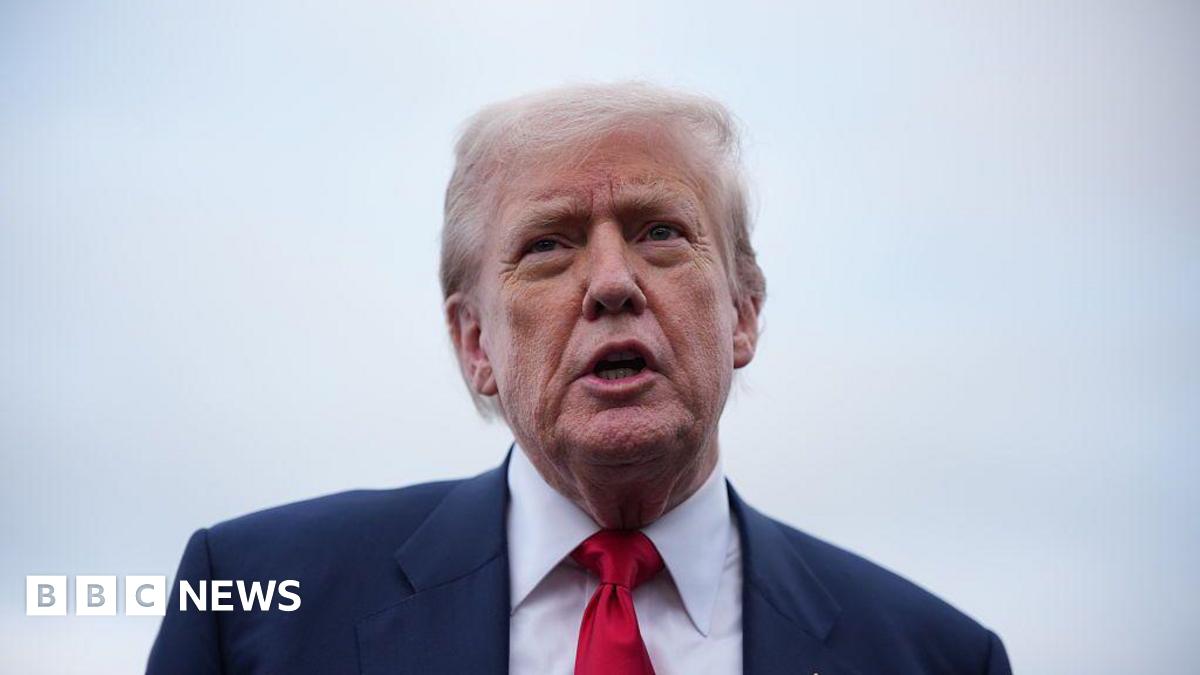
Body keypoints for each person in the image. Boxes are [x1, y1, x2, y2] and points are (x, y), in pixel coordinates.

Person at [148, 82, 1012, 674]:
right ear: (474, 342)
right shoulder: (252, 610)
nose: (610, 282)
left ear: (743, 312)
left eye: (660, 231)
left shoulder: (932, 655)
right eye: (548, 244)